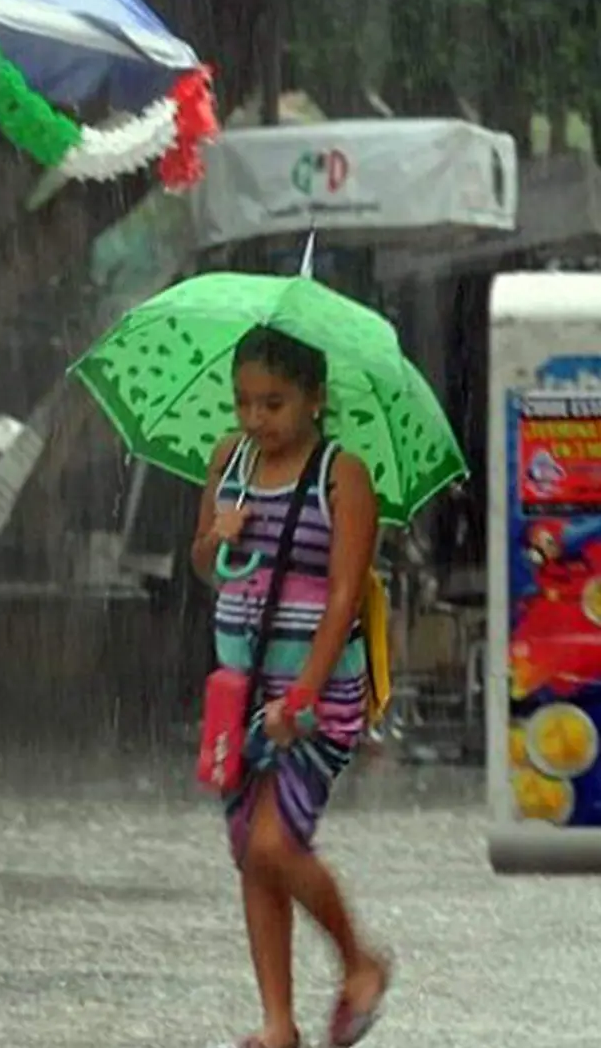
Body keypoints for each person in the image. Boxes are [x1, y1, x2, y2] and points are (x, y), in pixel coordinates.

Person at [190, 327, 393, 1048]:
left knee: (275, 843)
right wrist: (219, 533)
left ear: (315, 399)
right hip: (239, 690)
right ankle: (278, 1022)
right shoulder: (229, 461)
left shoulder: (343, 476)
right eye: (243, 402)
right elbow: (205, 564)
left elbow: (344, 595)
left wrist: (304, 695)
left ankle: (360, 960)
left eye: (273, 403)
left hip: (315, 694)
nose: (255, 419)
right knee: (251, 850)